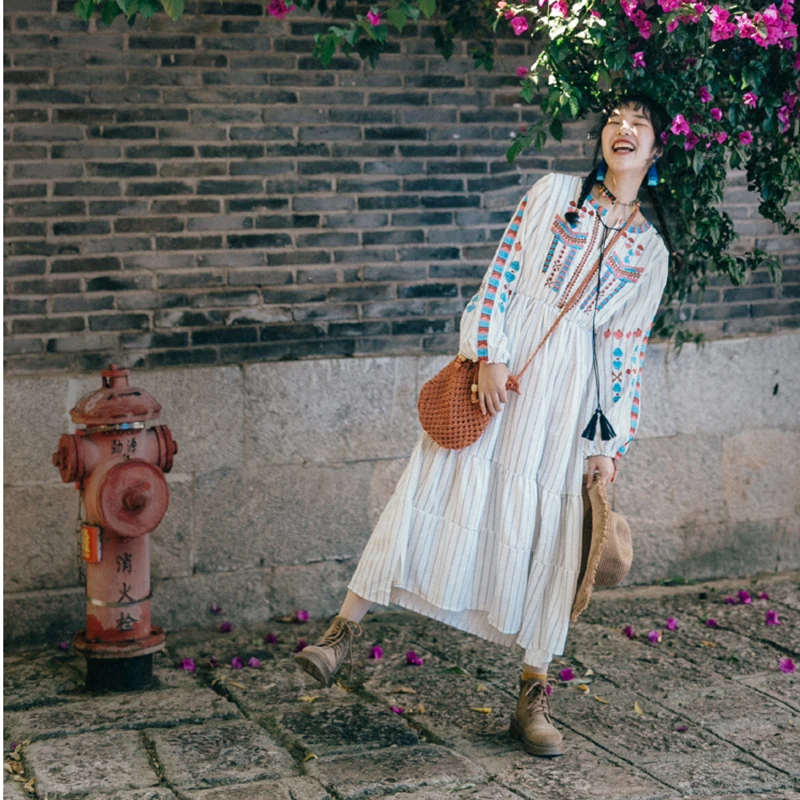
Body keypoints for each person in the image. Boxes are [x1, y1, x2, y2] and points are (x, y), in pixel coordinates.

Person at [294, 90, 676, 758]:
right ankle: (339, 637)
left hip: (566, 404)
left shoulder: (650, 252)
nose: (623, 129)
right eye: (615, 119)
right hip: (504, 373)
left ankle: (532, 695)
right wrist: (488, 354)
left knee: (551, 536)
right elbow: (500, 275)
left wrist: (607, 443)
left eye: (638, 123)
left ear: (657, 148)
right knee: (431, 487)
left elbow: (625, 352)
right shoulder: (552, 193)